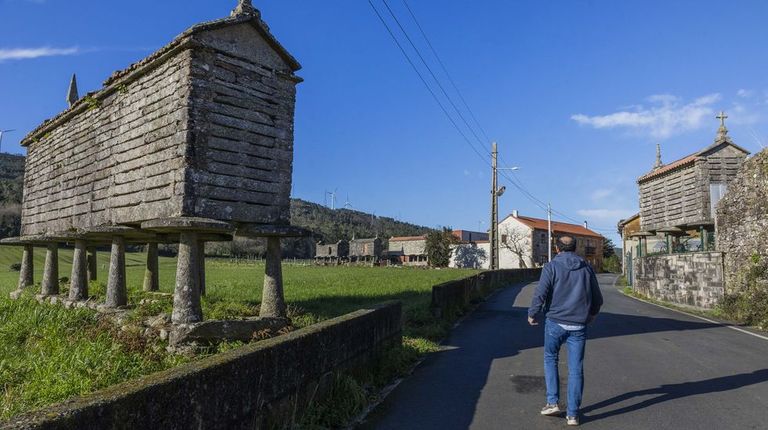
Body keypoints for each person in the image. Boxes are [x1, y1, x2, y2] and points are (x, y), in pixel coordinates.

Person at [527, 235, 603, 426]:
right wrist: (592, 315)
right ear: (575, 248)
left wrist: (532, 313)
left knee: (550, 358)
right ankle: (573, 414)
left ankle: (552, 402)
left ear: (557, 248)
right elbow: (597, 298)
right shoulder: (586, 267)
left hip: (555, 322)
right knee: (576, 368)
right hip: (579, 325)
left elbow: (540, 293)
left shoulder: (551, 267)